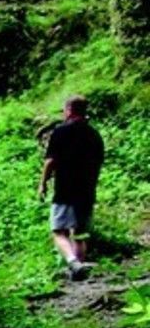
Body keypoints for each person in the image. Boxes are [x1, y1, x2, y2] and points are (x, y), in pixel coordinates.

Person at [39, 95, 104, 281]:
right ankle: (79, 270)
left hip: (65, 189)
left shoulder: (61, 132)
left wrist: (42, 183)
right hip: (87, 189)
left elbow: (50, 161)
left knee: (58, 230)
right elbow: (98, 162)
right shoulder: (94, 134)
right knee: (80, 233)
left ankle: (73, 262)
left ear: (68, 110)